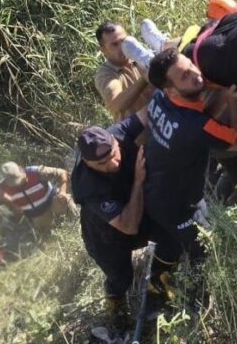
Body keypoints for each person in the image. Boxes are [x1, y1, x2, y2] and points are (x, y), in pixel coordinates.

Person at [71, 113, 180, 326]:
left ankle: (158, 279)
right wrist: (138, 181)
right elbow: (128, 227)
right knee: (121, 278)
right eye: (102, 163)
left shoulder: (117, 134)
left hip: (134, 208)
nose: (113, 163)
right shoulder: (88, 186)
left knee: (171, 238)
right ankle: (115, 307)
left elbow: (149, 110)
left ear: (114, 141)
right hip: (106, 236)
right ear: (87, 163)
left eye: (113, 154)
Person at [143, 49, 237, 264]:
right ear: (171, 89)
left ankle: (163, 268)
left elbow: (201, 116)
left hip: (153, 184)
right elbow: (236, 142)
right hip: (176, 205)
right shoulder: (194, 126)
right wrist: (234, 101)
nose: (196, 75)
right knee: (202, 250)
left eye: (191, 66)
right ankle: (193, 290)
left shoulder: (160, 97)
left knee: (168, 246)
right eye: (185, 76)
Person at [94, 22, 154, 122]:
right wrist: (144, 79)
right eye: (115, 44)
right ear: (103, 50)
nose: (122, 47)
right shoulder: (105, 74)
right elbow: (116, 103)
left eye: (123, 41)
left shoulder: (140, 55)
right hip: (142, 134)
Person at [0, 161, 74, 232]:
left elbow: (62, 172)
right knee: (47, 234)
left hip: (53, 201)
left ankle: (78, 220)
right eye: (13, 183)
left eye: (18, 179)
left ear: (21, 169)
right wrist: (13, 204)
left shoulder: (36, 172)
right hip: (37, 215)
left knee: (64, 200)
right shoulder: (2, 188)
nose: (17, 184)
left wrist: (62, 191)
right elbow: (3, 199)